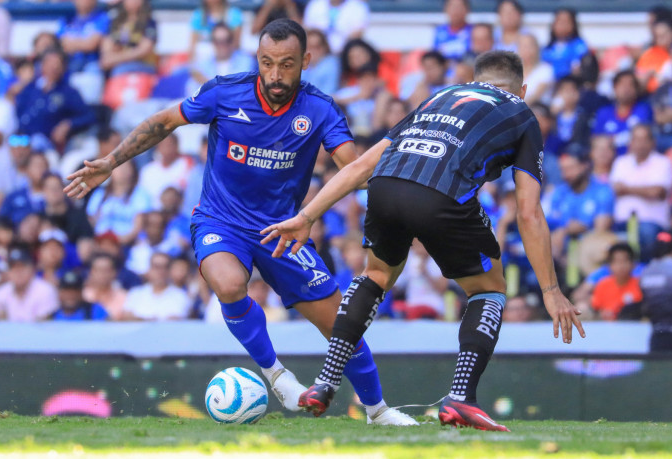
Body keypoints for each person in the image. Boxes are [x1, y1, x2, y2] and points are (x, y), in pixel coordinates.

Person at [64, 19, 413, 426]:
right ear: (257, 60)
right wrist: (111, 161)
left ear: (307, 61)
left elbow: (354, 172)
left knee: (341, 326)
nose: (276, 74)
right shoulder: (224, 92)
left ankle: (377, 411)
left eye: (286, 64)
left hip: (283, 230)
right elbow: (163, 121)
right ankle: (276, 376)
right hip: (221, 219)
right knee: (229, 284)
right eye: (267, 63)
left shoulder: (320, 109)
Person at [261, 51, 585, 430]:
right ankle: (461, 398)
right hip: (441, 197)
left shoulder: (441, 96)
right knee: (490, 289)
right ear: (522, 89)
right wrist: (550, 289)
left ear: (473, 78)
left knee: (377, 274)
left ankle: (325, 381)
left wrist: (306, 216)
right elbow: (528, 212)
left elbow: (362, 166)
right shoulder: (521, 112)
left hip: (385, 186)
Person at [610, 124, 672, 261]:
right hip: (621, 222)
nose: (640, 144)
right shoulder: (621, 162)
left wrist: (627, 189)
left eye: (644, 139)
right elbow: (616, 189)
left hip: (651, 223)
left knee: (646, 234)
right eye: (636, 139)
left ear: (653, 142)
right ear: (630, 142)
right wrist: (645, 190)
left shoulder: (662, 162)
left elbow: (657, 192)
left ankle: (643, 271)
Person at [15, 49, 96, 151]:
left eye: (57, 64)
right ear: (42, 65)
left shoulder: (69, 92)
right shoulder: (30, 87)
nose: (54, 67)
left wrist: (68, 124)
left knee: (37, 143)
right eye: (50, 63)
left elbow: (88, 116)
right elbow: (18, 110)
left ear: (64, 68)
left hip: (47, 145)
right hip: (21, 140)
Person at [0, 245, 60, 322]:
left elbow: (45, 326)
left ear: (32, 269)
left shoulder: (45, 290)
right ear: (8, 272)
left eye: (22, 266)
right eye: (13, 267)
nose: (18, 271)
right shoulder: (2, 292)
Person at [592, 70, 653, 156]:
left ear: (636, 90)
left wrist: (613, 140)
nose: (626, 89)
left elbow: (644, 138)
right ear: (614, 88)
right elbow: (596, 140)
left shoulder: (643, 110)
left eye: (630, 85)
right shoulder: (603, 112)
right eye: (622, 85)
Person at [121, 252, 191, 321]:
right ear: (149, 269)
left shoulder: (181, 296)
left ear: (169, 270)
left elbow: (177, 321)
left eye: (165, 267)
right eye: (156, 267)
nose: (161, 271)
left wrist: (142, 319)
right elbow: (127, 318)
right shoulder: (135, 294)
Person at [100, 0, 158, 76]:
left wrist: (115, 58)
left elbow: (144, 50)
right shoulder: (116, 22)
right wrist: (108, 57)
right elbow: (107, 45)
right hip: (117, 63)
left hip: (142, 64)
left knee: (121, 70)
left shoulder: (149, 23)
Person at [591, 243, 642, 321]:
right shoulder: (602, 285)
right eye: (616, 261)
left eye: (625, 261)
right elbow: (595, 310)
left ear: (633, 264)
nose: (621, 266)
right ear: (609, 265)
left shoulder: (640, 285)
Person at [57, 0, 110, 75]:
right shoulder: (66, 19)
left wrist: (72, 43)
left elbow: (91, 45)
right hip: (68, 62)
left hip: (91, 64)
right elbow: (62, 44)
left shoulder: (102, 17)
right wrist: (83, 42)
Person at [303, 0, 369, 54]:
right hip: (318, 52)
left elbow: (357, 34)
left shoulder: (358, 6)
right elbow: (308, 30)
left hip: (345, 53)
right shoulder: (315, 4)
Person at [541, 8, 589, 79]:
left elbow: (578, 68)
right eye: (559, 21)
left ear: (574, 25)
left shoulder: (579, 46)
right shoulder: (547, 49)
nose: (562, 25)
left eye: (566, 22)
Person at [83, 253, 128, 321]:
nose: (103, 274)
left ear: (114, 272)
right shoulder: (83, 296)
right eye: (99, 270)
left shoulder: (124, 297)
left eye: (107, 270)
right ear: (91, 272)